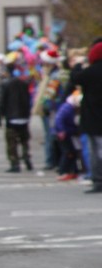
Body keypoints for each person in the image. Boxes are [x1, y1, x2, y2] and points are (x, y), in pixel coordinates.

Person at [70, 39, 102, 193]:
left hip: (93, 118)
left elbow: (75, 78)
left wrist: (77, 65)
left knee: (95, 151)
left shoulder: (91, 72)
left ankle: (98, 180)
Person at [0, 56, 34, 173]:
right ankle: (26, 157)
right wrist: (28, 114)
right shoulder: (24, 84)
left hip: (11, 118)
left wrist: (0, 118)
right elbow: (29, 100)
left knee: (11, 143)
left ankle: (15, 163)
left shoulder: (6, 85)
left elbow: (1, 102)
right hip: (23, 116)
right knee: (24, 141)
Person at [53, 91, 82, 181]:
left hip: (68, 133)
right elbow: (59, 119)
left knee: (72, 152)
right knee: (68, 152)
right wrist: (61, 131)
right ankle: (64, 171)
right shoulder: (67, 108)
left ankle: (73, 171)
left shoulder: (69, 107)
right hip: (64, 134)